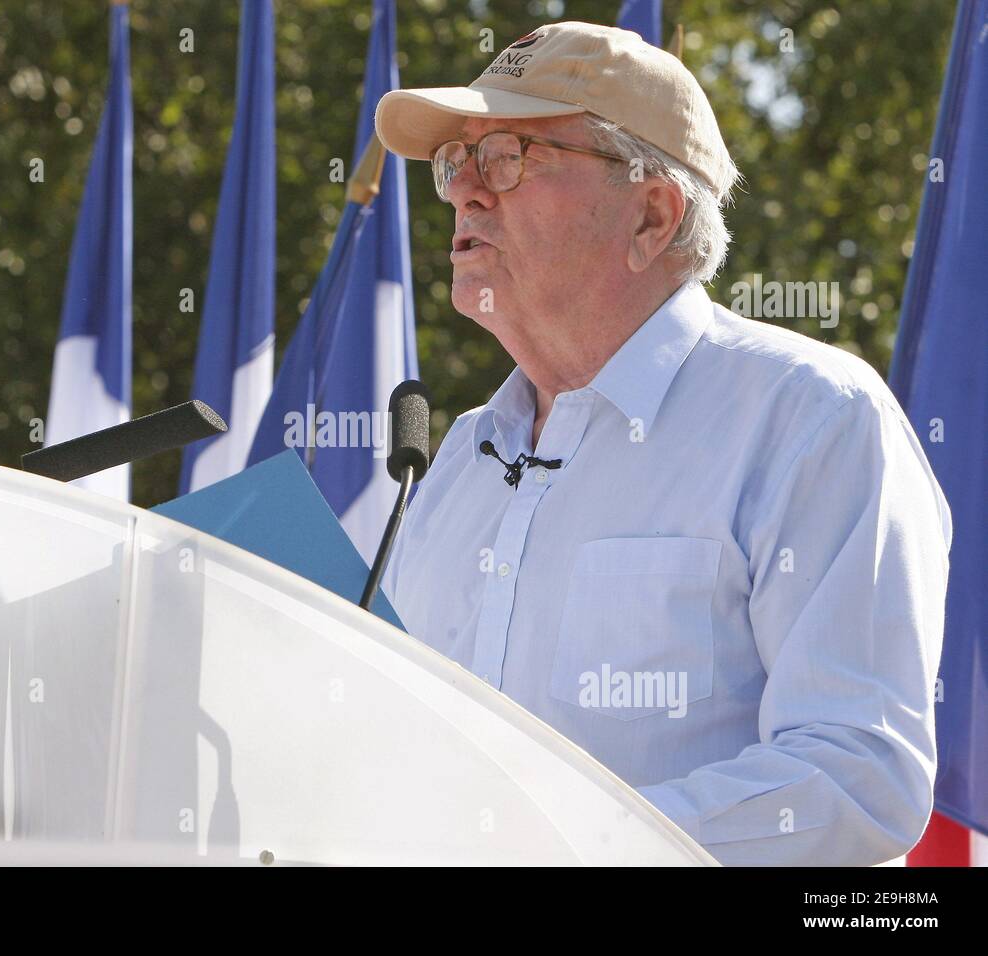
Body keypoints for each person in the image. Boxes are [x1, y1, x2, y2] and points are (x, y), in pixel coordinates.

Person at [374, 21, 951, 865]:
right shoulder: (457, 458)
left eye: (507, 157)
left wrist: (556, 845)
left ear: (652, 213)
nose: (465, 192)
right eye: (456, 163)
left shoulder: (812, 418)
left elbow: (857, 776)